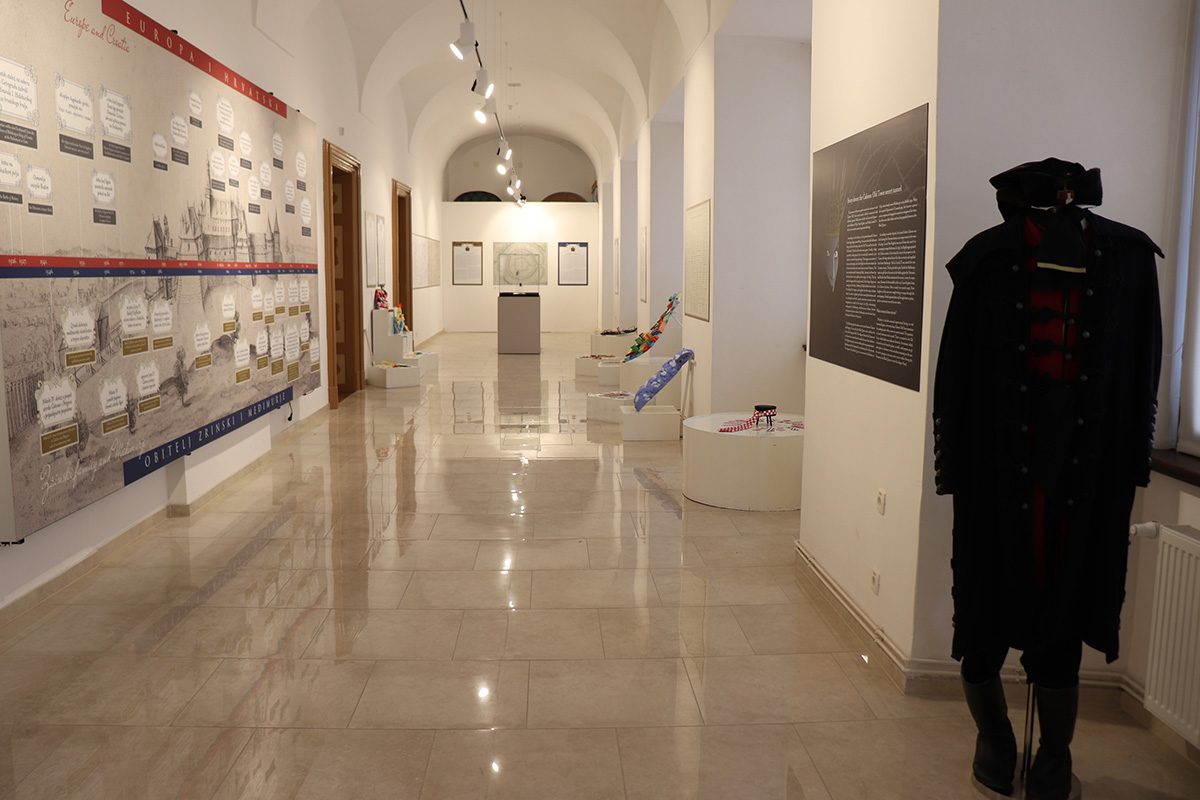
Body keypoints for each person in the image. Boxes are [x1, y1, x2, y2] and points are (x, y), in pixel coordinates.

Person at [933, 158, 1162, 799]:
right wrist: (953, 466)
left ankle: (1054, 754)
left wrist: (1131, 464)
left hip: (1085, 477)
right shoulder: (986, 259)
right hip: (997, 473)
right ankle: (994, 738)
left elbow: (1143, 365)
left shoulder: (1129, 258)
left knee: (1067, 609)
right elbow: (955, 374)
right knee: (983, 611)